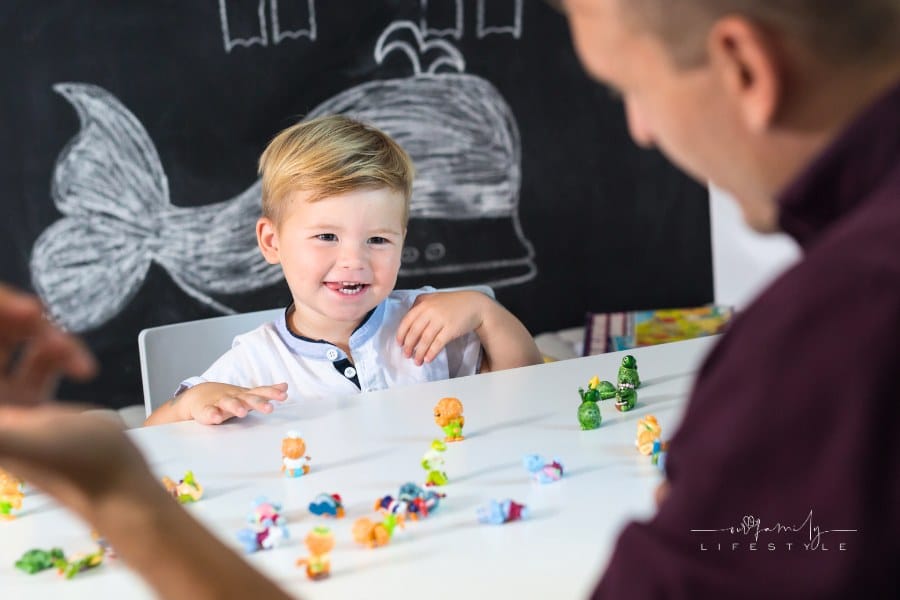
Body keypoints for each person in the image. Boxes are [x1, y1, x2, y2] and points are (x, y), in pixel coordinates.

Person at [556, 0, 900, 597]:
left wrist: (721, 507)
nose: (641, 130)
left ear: (745, 68)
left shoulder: (832, 332)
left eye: (629, 90)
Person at [145, 114, 542, 426]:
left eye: (378, 240)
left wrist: (485, 312)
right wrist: (190, 405)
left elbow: (526, 382)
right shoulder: (255, 361)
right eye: (327, 237)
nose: (355, 261)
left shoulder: (427, 325)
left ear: (402, 242)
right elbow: (155, 437)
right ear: (272, 242)